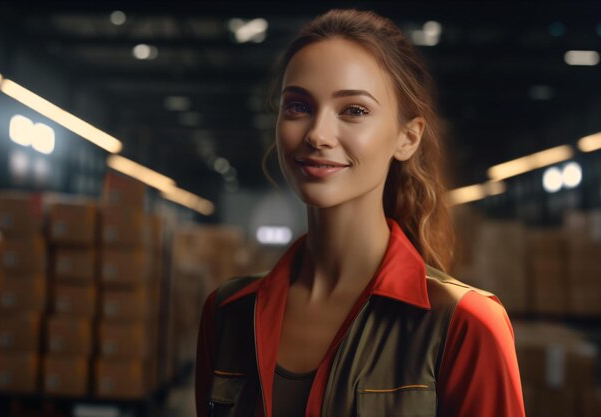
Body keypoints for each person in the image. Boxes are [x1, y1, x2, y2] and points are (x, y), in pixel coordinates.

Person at [195, 8, 525, 417]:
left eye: (353, 110)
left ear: (407, 138)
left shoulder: (465, 324)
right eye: (297, 106)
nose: (317, 134)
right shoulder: (228, 312)